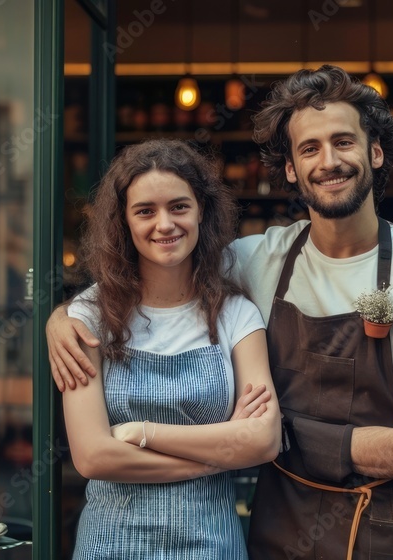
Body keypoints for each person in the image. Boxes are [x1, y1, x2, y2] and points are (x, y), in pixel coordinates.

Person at [49, 66, 393, 559]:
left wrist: (274, 435)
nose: (329, 161)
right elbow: (160, 267)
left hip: (382, 529)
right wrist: (64, 318)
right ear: (292, 168)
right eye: (310, 148)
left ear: (375, 151)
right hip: (281, 531)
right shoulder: (256, 259)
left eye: (344, 141)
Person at [61, 139, 281, 560]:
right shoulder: (90, 314)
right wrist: (216, 457)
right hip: (111, 543)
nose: (165, 224)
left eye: (179, 207)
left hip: (211, 544)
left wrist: (142, 434)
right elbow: (92, 456)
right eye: (145, 211)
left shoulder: (237, 314)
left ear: (201, 211)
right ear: (123, 222)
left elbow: (264, 439)